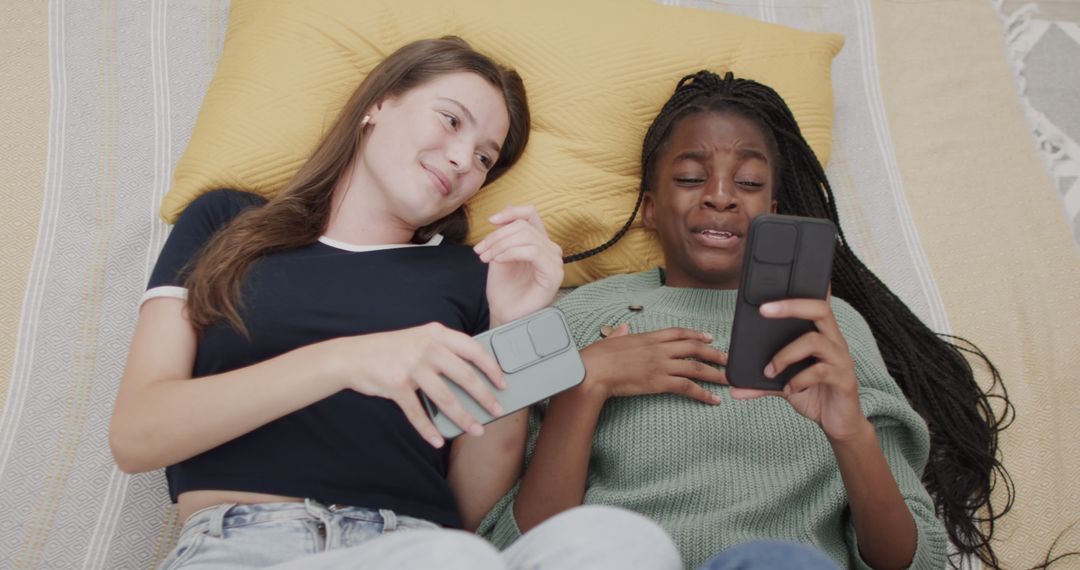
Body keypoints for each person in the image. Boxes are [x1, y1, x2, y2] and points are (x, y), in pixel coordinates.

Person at [109, 36, 682, 570]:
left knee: (626, 541)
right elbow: (137, 436)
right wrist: (347, 361)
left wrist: (515, 327)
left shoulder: (474, 275)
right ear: (378, 105)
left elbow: (470, 507)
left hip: (419, 543)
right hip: (251, 543)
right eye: (451, 120)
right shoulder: (227, 221)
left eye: (485, 158)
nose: (463, 159)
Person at [479, 71, 1014, 569]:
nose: (719, 195)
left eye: (750, 183)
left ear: (775, 211)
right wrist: (586, 385)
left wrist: (850, 432)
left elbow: (913, 560)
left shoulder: (831, 329)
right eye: (690, 177)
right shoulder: (578, 316)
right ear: (649, 208)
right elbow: (513, 546)